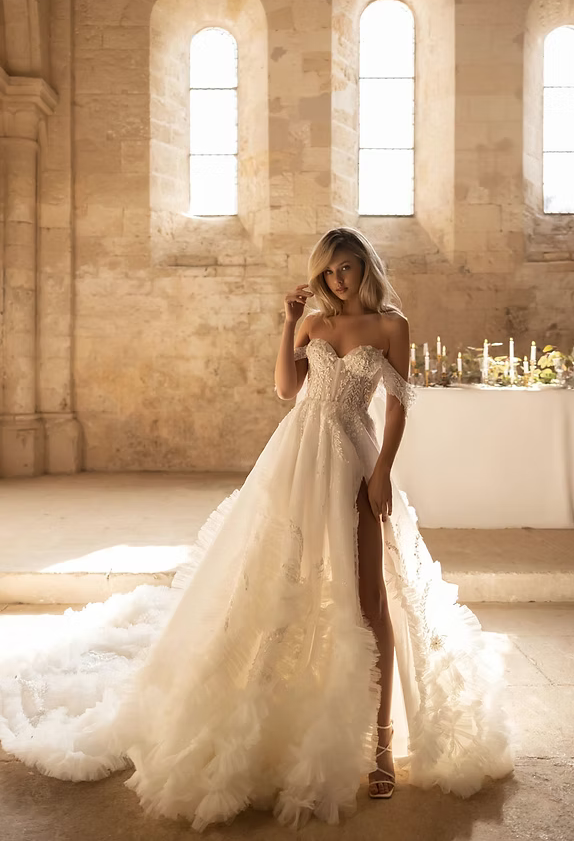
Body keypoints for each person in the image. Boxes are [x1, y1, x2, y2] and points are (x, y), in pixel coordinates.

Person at [0, 227, 514, 834]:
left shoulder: (390, 326)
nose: (337, 279)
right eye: (328, 271)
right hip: (296, 457)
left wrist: (382, 471)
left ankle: (381, 744)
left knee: (370, 602)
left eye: (346, 268)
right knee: (277, 586)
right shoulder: (312, 324)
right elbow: (287, 390)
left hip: (354, 459)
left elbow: (399, 404)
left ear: (364, 267)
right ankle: (264, 724)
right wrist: (289, 322)